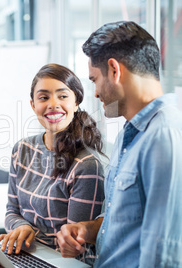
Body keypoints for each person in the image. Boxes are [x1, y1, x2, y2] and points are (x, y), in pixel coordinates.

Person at [56, 21, 182, 267]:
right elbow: (122, 219)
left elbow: (164, 254)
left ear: (114, 70)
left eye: (94, 80)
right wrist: (87, 230)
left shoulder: (164, 135)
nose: (94, 93)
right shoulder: (129, 132)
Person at [0, 63, 106, 267]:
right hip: (27, 254)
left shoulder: (86, 165)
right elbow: (11, 211)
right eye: (44, 97)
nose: (53, 104)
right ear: (33, 105)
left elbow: (72, 247)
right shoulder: (22, 149)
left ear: (76, 102)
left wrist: (27, 242)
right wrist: (22, 229)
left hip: (61, 262)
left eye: (62, 96)